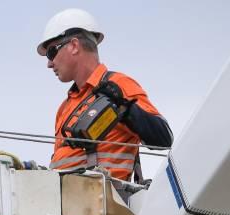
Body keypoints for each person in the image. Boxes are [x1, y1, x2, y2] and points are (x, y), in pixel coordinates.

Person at [40, 9, 173, 182]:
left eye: (51, 52)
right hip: (62, 202)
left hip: (103, 202)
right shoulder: (65, 107)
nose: (49, 64)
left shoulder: (119, 85)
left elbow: (163, 138)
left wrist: (125, 106)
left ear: (74, 46)